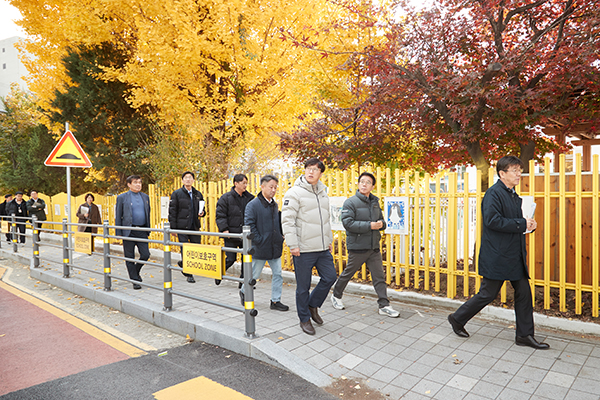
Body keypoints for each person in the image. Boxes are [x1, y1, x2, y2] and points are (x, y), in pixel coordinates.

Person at [447, 156, 549, 350]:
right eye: (515, 171)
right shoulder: (493, 194)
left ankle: (525, 335)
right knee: (488, 294)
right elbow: (492, 221)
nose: (519, 174)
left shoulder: (513, 194)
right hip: (498, 255)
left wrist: (529, 225)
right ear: (502, 174)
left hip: (514, 255)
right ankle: (457, 318)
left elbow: (514, 223)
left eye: (520, 170)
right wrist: (521, 224)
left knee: (524, 293)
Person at [331, 172, 400, 318]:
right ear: (358, 184)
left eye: (368, 182)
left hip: (373, 246)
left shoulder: (375, 202)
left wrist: (382, 224)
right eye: (362, 181)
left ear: (372, 186)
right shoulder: (350, 202)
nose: (364, 184)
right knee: (348, 273)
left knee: (379, 277)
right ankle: (336, 295)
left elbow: (381, 221)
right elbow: (348, 223)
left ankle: (384, 305)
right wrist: (370, 226)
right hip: (358, 246)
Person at [282, 158, 337, 335]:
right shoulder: (294, 193)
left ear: (321, 173)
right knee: (303, 287)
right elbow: (287, 221)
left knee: (330, 277)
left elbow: (325, 220)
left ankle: (313, 305)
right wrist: (293, 245)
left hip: (321, 248)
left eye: (315, 169)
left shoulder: (323, 192)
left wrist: (328, 240)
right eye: (308, 168)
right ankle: (304, 319)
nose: (311, 172)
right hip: (303, 249)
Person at [241, 174, 288, 311]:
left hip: (274, 246)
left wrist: (280, 236)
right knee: (254, 275)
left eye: (275, 187)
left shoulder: (274, 205)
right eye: (270, 187)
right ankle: (244, 291)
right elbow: (249, 226)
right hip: (260, 247)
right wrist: (260, 240)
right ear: (262, 186)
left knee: (278, 274)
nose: (273, 190)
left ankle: (275, 301)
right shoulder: (253, 205)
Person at [215, 174, 255, 286]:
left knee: (246, 260)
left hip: (245, 234)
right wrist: (224, 229)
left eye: (246, 183)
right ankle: (218, 272)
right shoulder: (225, 198)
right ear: (236, 183)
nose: (245, 185)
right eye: (243, 183)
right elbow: (220, 215)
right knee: (230, 258)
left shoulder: (250, 198)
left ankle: (243, 282)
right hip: (231, 234)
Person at [168, 171, 206, 284]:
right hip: (181, 227)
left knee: (196, 249)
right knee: (185, 249)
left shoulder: (198, 194)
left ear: (193, 180)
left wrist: (202, 213)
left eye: (190, 178)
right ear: (182, 180)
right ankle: (189, 274)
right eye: (186, 178)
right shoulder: (177, 194)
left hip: (194, 226)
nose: (188, 179)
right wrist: (173, 228)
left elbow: (203, 209)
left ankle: (184, 264)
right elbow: (172, 212)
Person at [115, 175, 151, 290]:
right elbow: (118, 215)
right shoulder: (122, 197)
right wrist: (118, 232)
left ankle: (135, 272)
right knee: (129, 257)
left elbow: (147, 213)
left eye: (140, 182)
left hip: (142, 230)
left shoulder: (145, 197)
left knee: (145, 254)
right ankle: (135, 280)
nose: (138, 184)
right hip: (128, 231)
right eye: (135, 182)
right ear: (129, 184)